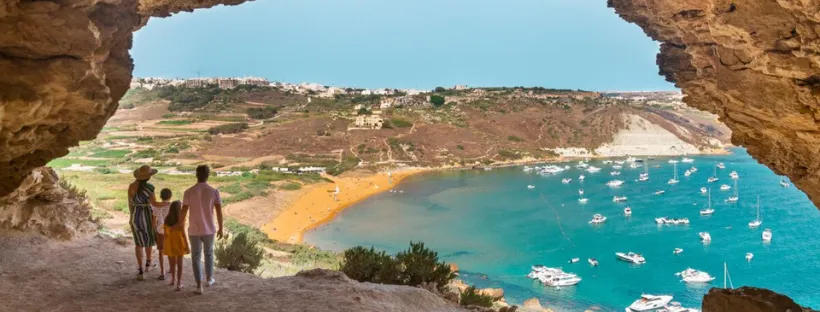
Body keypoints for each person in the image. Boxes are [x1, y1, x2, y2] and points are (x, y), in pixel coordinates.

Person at [180, 165, 223, 294]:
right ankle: (209, 278)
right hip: (209, 229)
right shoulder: (214, 191)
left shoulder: (189, 192)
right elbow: (219, 212)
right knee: (209, 254)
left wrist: (178, 225)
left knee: (196, 257)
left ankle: (199, 285)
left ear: (196, 175)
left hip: (194, 229)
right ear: (207, 175)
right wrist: (221, 228)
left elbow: (183, 212)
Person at [128, 165, 160, 281]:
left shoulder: (131, 186)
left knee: (138, 243)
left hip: (135, 215)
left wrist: (132, 216)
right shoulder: (150, 188)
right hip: (147, 215)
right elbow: (154, 205)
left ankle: (140, 270)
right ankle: (148, 264)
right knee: (149, 241)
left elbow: (130, 203)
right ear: (148, 177)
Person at [163, 200, 189, 291]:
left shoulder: (167, 219)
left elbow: (165, 234)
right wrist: (187, 244)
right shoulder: (181, 219)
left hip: (170, 243)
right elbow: (183, 233)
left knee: (172, 263)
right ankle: (179, 283)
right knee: (180, 264)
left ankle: (173, 280)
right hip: (179, 242)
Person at [151, 188, 173, 280]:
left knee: (161, 251)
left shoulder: (157, 207)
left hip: (160, 231)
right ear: (170, 196)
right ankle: (172, 269)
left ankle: (162, 272)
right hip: (170, 231)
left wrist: (154, 229)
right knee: (170, 251)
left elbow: (153, 221)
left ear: (160, 196)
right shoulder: (172, 206)